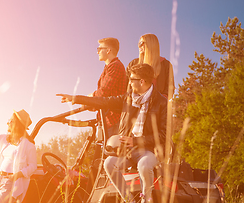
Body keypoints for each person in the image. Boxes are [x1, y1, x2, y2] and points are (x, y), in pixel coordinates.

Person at [57, 64, 167, 203]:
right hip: (128, 151)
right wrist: (76, 99)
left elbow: (163, 136)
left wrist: (136, 141)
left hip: (150, 151)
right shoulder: (128, 98)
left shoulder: (161, 102)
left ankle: (146, 200)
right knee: (109, 163)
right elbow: (104, 101)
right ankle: (129, 201)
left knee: (143, 166)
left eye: (132, 79)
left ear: (142, 81)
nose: (130, 82)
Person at [90, 37, 127, 138]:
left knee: (111, 152)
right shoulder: (108, 67)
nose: (97, 52)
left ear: (108, 50)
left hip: (113, 120)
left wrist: (90, 97)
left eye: (99, 49)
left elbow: (103, 92)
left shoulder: (115, 66)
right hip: (106, 119)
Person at [127, 33, 174, 100]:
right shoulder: (133, 64)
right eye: (138, 44)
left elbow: (170, 88)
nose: (139, 46)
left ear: (151, 44)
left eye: (141, 43)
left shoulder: (166, 65)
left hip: (156, 107)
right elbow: (127, 87)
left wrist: (160, 101)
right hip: (135, 105)